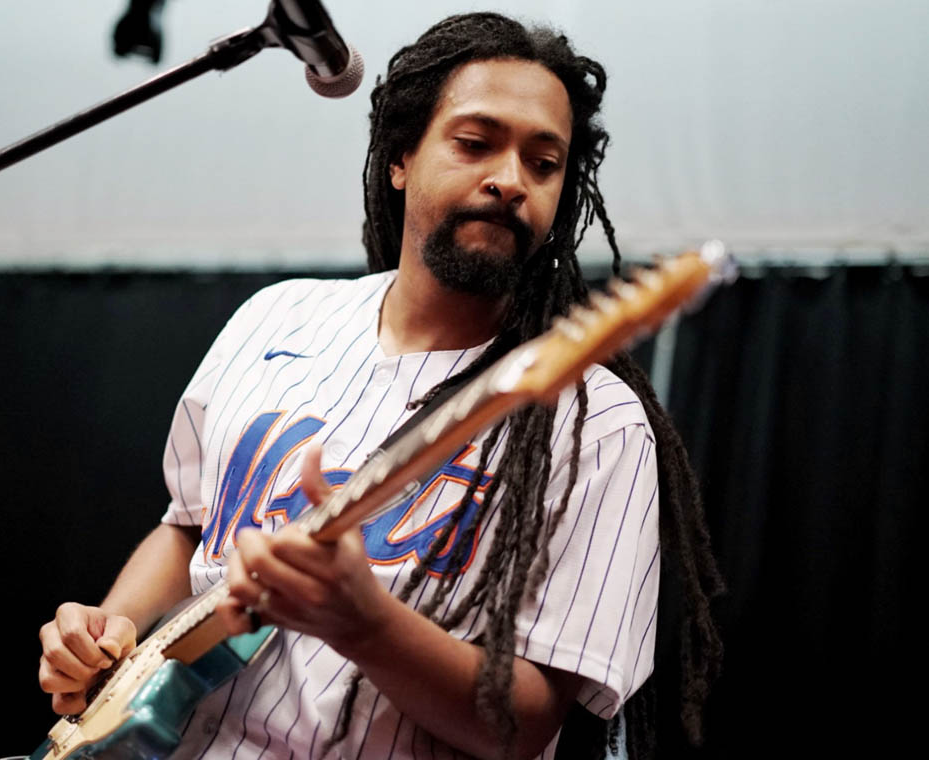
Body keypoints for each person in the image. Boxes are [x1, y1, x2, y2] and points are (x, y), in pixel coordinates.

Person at [37, 12, 722, 759]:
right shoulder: (274, 318)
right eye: (475, 143)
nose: (510, 180)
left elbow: (524, 723)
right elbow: (189, 530)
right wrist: (109, 635)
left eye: (544, 162)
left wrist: (364, 624)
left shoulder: (598, 424)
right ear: (400, 157)